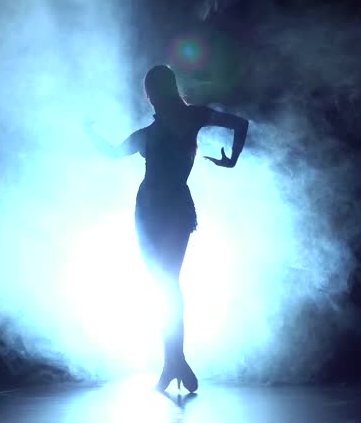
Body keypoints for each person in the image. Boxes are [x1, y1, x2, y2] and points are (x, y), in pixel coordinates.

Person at [84, 65, 249, 393]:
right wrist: (89, 132)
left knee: (168, 283)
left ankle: (174, 361)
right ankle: (173, 361)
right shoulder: (153, 132)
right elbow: (113, 152)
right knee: (162, 284)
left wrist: (233, 158)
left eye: (152, 91)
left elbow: (239, 123)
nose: (151, 98)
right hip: (149, 209)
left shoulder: (188, 118)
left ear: (159, 93)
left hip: (169, 209)